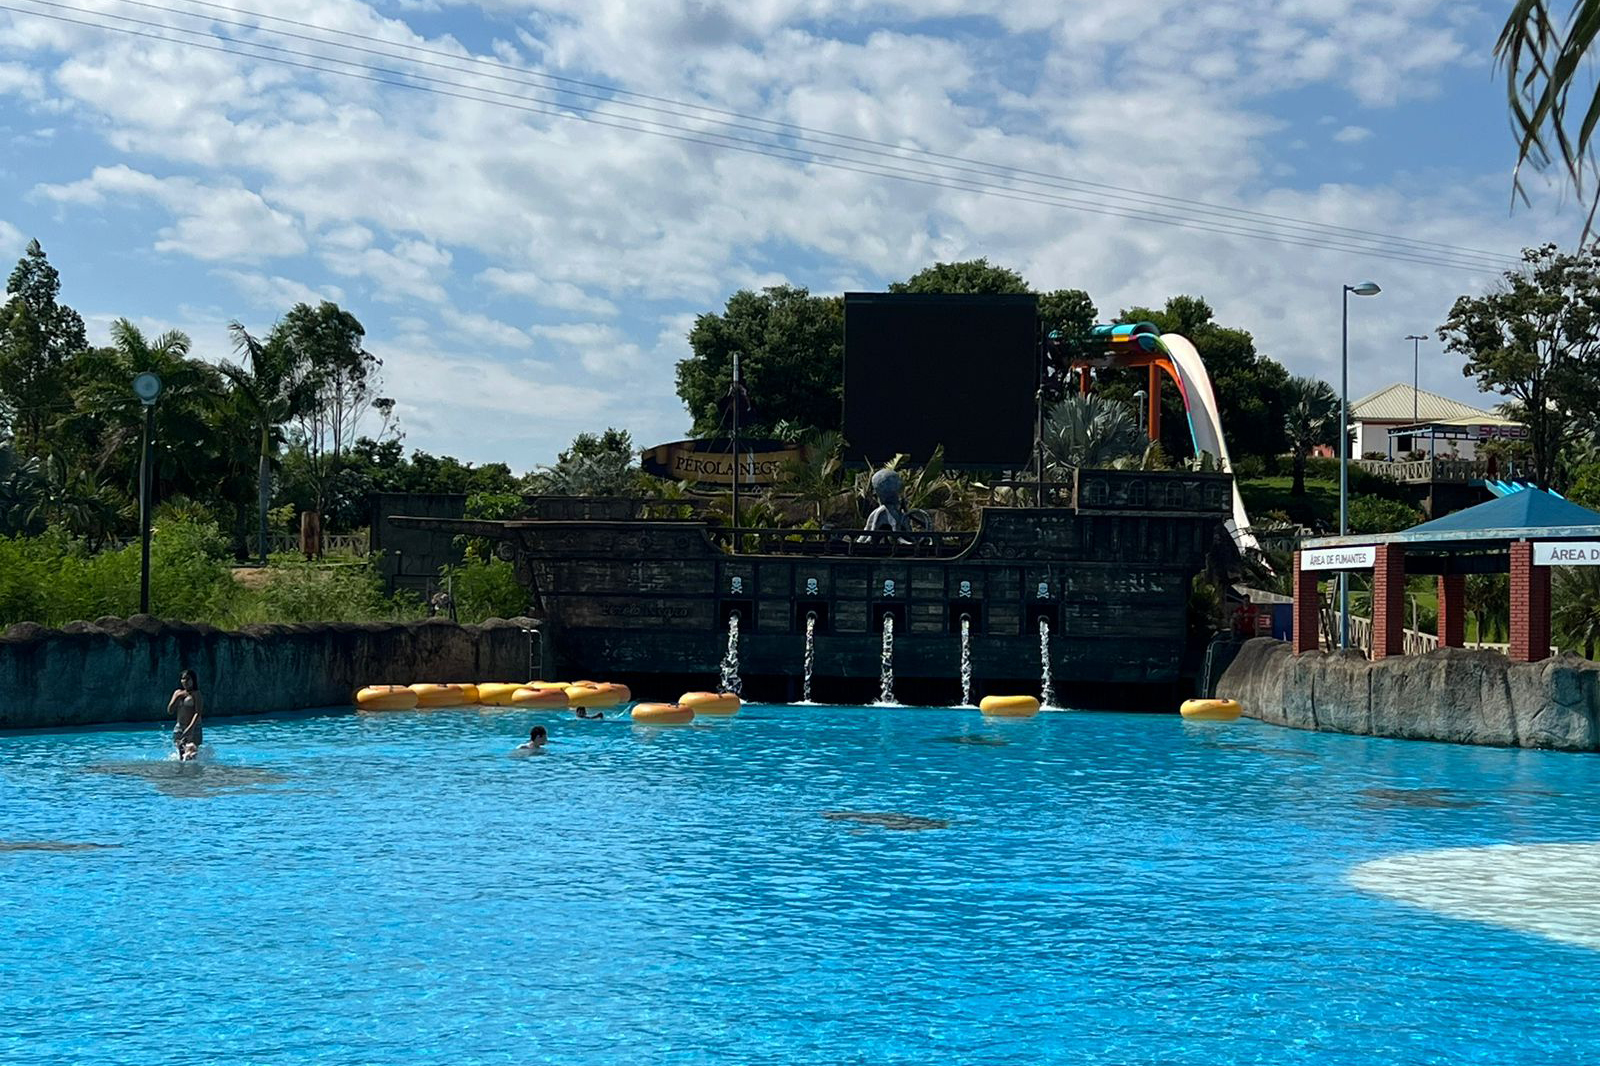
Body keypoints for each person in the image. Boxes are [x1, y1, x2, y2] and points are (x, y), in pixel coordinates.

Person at [167, 669, 203, 760]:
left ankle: (194, 772)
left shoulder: (196, 694)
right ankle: (182, 773)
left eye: (188, 679)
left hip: (194, 727)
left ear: (193, 680)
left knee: (191, 754)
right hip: (179, 727)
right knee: (181, 755)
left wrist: (190, 728)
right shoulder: (177, 693)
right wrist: (177, 697)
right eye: (183, 679)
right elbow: (170, 710)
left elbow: (197, 712)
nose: (185, 681)